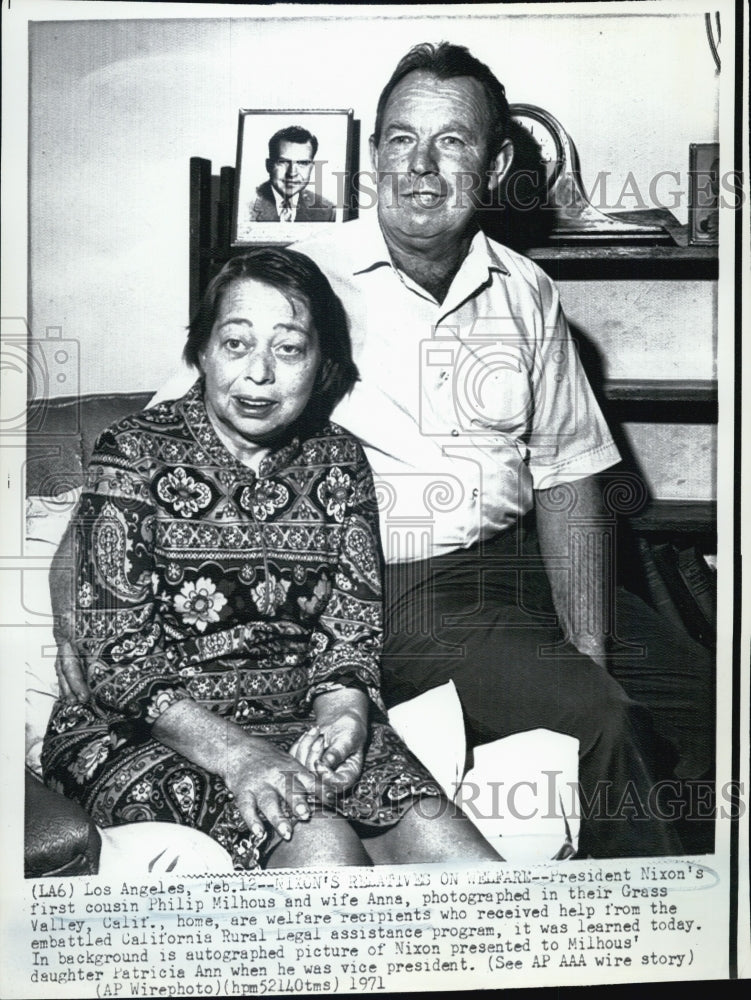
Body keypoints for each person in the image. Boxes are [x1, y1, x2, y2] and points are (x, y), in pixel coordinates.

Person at [56, 43, 715, 858]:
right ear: (373, 157)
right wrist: (72, 615)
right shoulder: (307, 280)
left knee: (711, 705)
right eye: (400, 140)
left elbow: (566, 470)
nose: (422, 168)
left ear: (496, 160)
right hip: (407, 590)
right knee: (601, 721)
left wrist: (587, 644)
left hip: (524, 570)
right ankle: (636, 948)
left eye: (452, 142)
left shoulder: (526, 288)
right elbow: (162, 443)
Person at [41, 248, 503, 871]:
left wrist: (345, 720)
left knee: (470, 869)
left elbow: (351, 635)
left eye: (289, 349)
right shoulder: (133, 452)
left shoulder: (339, 461)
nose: (259, 374)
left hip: (294, 717)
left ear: (323, 365)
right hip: (147, 729)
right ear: (201, 353)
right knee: (324, 854)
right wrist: (241, 757)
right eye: (236, 344)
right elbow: (118, 663)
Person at [248, 126, 336, 223]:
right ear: (268, 165)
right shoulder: (244, 206)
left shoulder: (327, 212)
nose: (292, 173)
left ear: (311, 167)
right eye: (283, 162)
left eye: (303, 163)